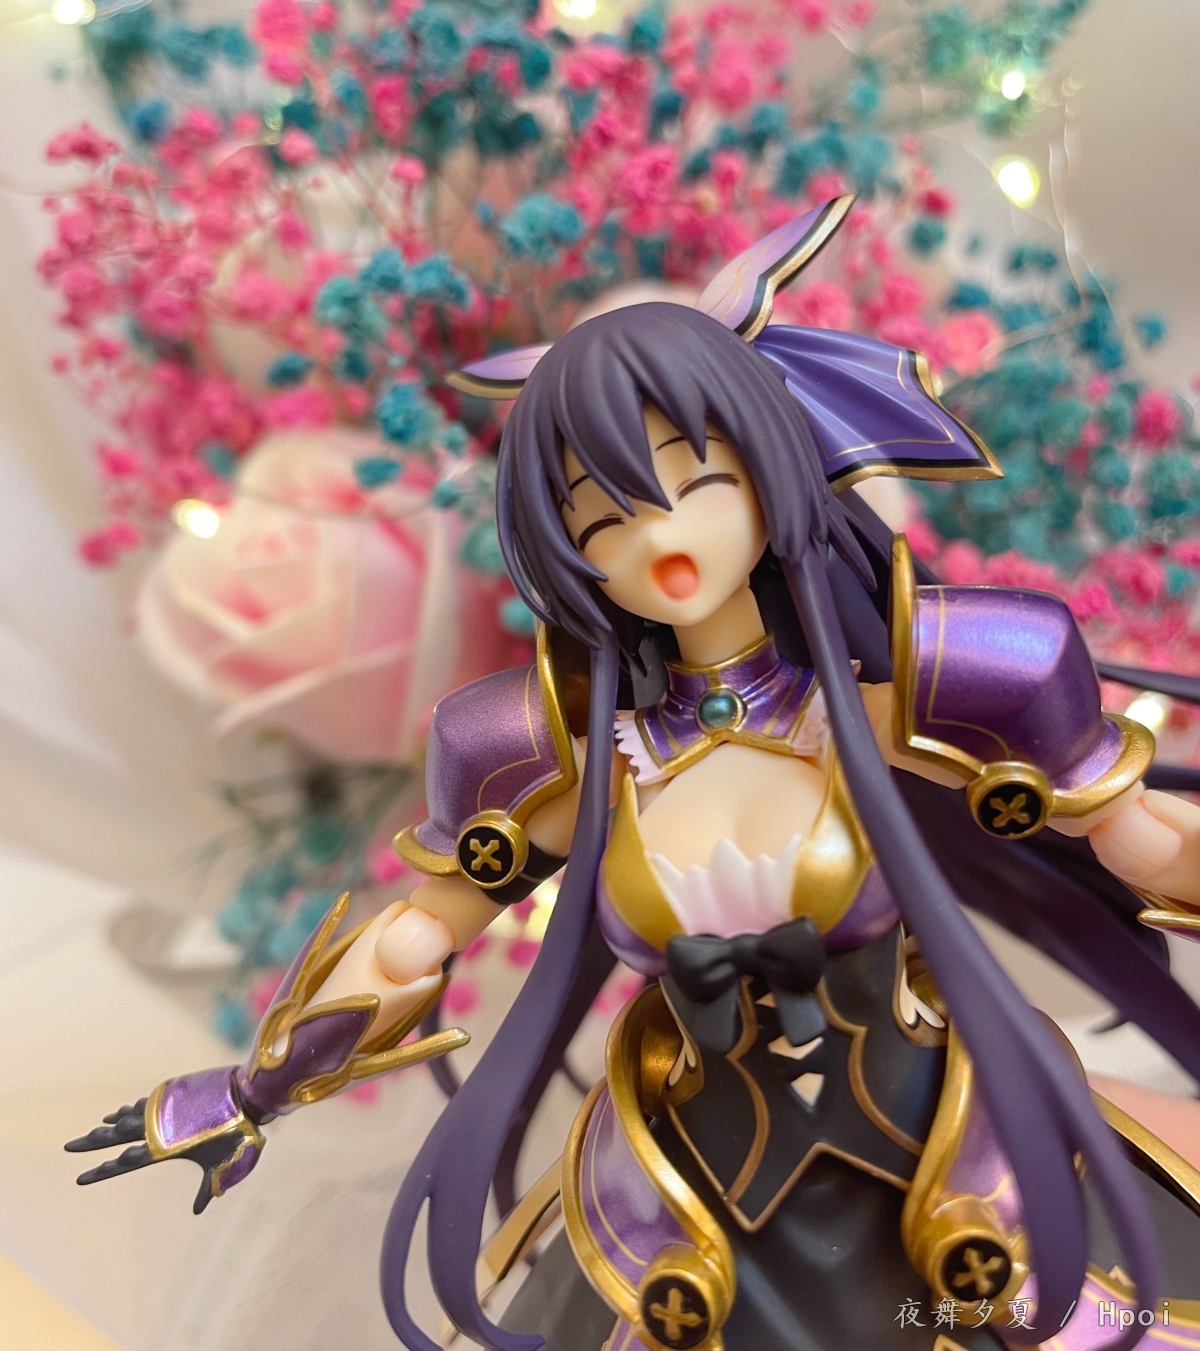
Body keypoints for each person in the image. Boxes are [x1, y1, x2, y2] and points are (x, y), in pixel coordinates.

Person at [69, 200, 1200, 1351]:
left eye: (693, 478)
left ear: (767, 465)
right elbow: (412, 940)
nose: (655, 535)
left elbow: (1143, 836)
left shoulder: (903, 699)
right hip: (692, 1205)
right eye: (601, 516)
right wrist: (248, 1092)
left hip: (947, 1156)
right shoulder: (557, 761)